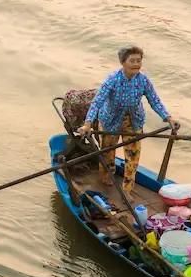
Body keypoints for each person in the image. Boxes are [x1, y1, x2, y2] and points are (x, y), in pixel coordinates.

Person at [76, 45, 180, 202]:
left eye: (139, 60)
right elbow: (97, 102)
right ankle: (106, 175)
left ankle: (127, 189)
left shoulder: (143, 80)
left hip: (133, 121)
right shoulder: (112, 79)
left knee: (133, 154)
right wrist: (88, 123)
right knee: (108, 151)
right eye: (132, 61)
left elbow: (154, 100)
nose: (136, 64)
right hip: (110, 120)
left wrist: (168, 118)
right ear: (122, 62)